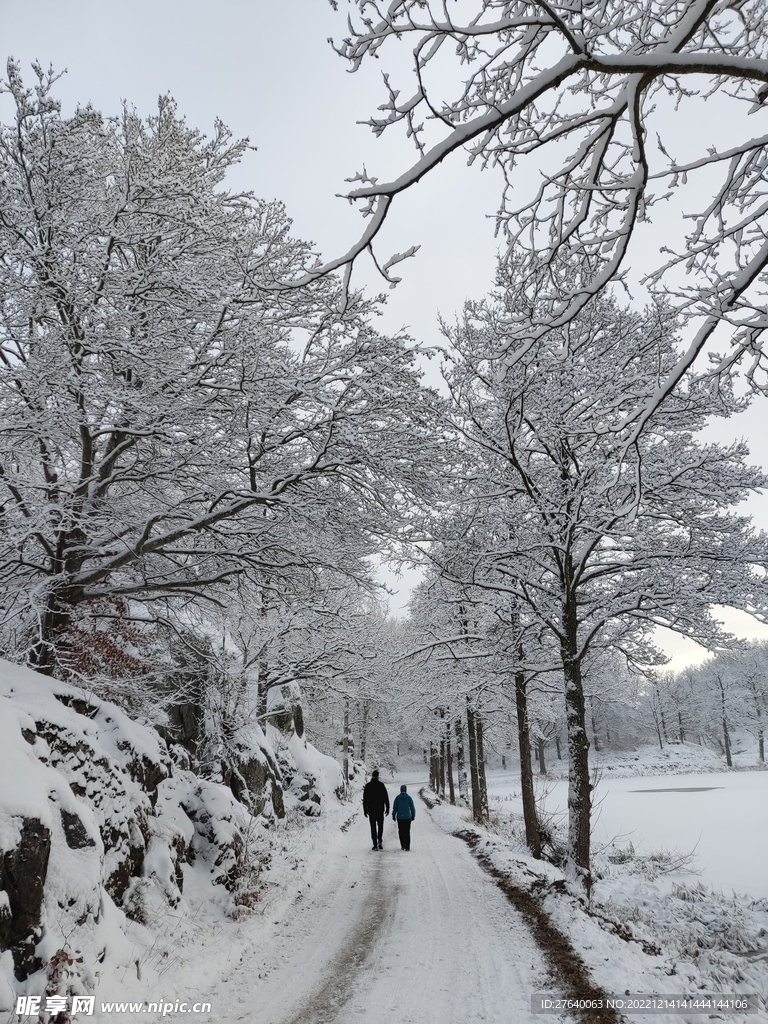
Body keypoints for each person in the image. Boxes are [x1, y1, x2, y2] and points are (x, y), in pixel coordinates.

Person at [362, 769, 389, 850]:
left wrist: (365, 809)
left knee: (373, 827)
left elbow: (365, 799)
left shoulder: (368, 786)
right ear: (378, 776)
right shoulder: (381, 785)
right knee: (380, 826)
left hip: (371, 810)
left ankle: (374, 844)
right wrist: (387, 807)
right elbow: (385, 797)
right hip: (380, 809)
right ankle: (379, 841)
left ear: (372, 776)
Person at [392, 784, 416, 851]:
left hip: (400, 818)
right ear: (406, 790)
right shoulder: (409, 798)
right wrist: (413, 815)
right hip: (408, 817)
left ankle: (403, 845)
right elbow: (412, 808)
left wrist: (393, 815)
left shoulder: (397, 798)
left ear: (400, 790)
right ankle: (407, 846)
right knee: (407, 832)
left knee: (401, 831)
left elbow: (395, 808)